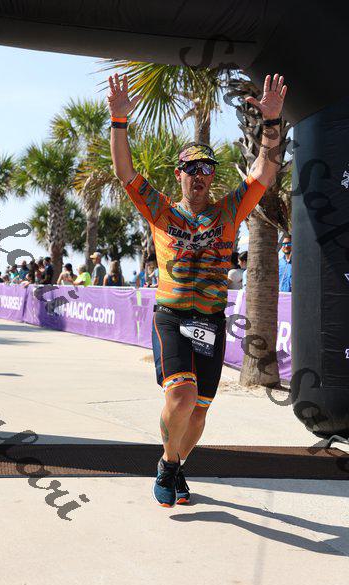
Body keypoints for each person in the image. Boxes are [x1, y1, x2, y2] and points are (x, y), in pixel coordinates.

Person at [108, 71, 287, 506]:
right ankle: (169, 465)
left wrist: (271, 122)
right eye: (192, 169)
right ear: (180, 174)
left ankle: (174, 466)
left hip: (210, 320)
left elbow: (264, 172)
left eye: (207, 169)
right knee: (181, 395)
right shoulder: (161, 211)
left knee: (200, 411)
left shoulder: (228, 211)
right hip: (171, 317)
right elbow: (125, 172)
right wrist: (118, 121)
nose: (200, 176)